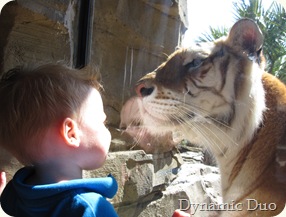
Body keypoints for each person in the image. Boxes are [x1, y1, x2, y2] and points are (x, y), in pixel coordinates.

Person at [0, 64, 118, 217]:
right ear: (71, 133)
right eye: (103, 122)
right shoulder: (91, 208)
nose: (107, 131)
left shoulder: (15, 194)